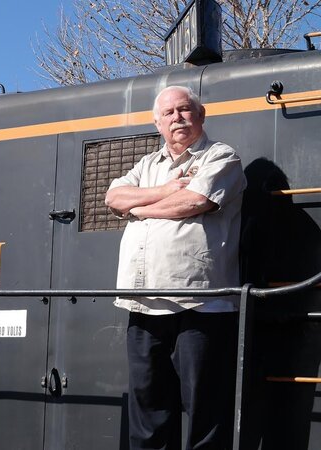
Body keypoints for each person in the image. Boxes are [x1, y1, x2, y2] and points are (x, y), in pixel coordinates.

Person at [105, 86, 247, 449]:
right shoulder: (147, 165)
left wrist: (140, 208)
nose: (177, 118)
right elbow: (113, 197)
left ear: (200, 116)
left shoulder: (222, 157)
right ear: (157, 123)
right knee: (148, 409)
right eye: (168, 113)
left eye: (184, 110)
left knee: (205, 411)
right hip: (142, 302)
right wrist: (165, 189)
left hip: (200, 304)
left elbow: (193, 201)